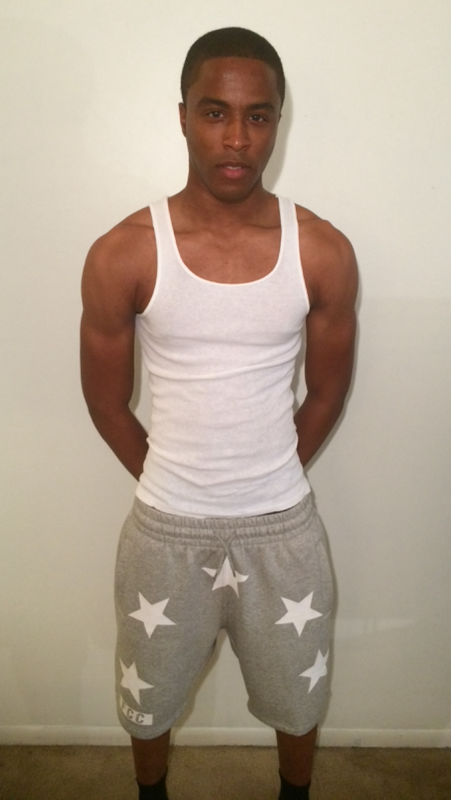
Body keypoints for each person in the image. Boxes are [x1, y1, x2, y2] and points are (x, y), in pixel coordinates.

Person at [80, 26, 357, 800]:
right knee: (147, 704)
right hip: (164, 533)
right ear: (182, 117)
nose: (236, 138)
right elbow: (104, 400)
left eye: (257, 116)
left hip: (284, 532)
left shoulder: (321, 251)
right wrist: (177, 478)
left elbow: (326, 393)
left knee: (298, 700)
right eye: (214, 113)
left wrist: (265, 474)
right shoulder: (124, 251)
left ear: (276, 122)